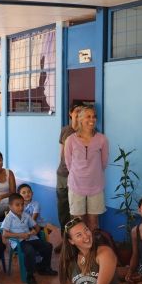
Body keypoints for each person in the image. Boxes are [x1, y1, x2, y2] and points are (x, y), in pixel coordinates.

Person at [53, 216, 119, 284]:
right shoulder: (71, 260)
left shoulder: (105, 253)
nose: (86, 236)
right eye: (79, 235)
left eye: (86, 230)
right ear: (71, 241)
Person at [64, 106, 109, 231]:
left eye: (94, 116)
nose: (92, 119)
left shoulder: (102, 139)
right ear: (80, 119)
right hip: (76, 186)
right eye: (88, 116)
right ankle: (80, 250)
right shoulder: (70, 140)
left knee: (94, 223)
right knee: (78, 222)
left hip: (96, 186)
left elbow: (103, 163)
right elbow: (69, 163)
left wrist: (93, 173)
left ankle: (93, 249)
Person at [1, 193, 56, 284]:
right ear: (10, 206)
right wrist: (20, 235)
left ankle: (43, 268)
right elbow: (5, 234)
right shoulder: (8, 218)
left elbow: (37, 227)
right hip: (19, 242)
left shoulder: (25, 215)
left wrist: (35, 231)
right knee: (30, 250)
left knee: (48, 246)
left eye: (22, 204)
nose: (21, 207)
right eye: (17, 205)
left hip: (31, 238)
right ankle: (30, 275)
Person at [56, 100, 84, 252]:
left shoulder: (86, 132)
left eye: (82, 111)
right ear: (70, 113)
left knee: (76, 211)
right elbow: (62, 153)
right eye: (77, 111)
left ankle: (76, 243)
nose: (79, 114)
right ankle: (64, 241)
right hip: (62, 174)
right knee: (63, 209)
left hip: (78, 177)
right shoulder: (65, 130)